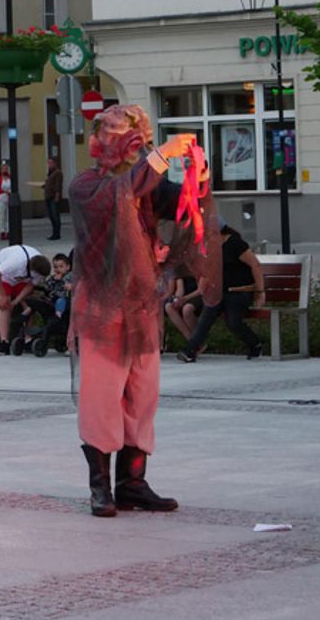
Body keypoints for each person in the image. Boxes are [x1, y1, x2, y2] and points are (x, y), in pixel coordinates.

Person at [68, 104, 219, 517]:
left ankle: (132, 484)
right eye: (123, 137)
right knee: (101, 397)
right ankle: (101, 487)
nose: (133, 147)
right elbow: (123, 193)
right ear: (102, 143)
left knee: (142, 395)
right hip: (101, 308)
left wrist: (196, 174)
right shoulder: (86, 186)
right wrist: (164, 153)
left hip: (141, 307)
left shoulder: (145, 185)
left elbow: (183, 200)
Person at [176, 222, 265, 362]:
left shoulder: (235, 243)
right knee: (206, 317)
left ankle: (255, 343)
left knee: (233, 322)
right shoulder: (211, 247)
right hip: (220, 291)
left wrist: (260, 292)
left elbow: (255, 265)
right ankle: (190, 351)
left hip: (239, 291)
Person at [0, 243, 51, 355]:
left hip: (23, 279)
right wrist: (3, 295)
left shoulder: (38, 267)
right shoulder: (15, 263)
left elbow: (30, 285)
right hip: (4, 276)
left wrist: (16, 301)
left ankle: (28, 338)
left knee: (28, 304)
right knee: (4, 304)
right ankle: (4, 341)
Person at [0, 162, 12, 241]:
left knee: (9, 216)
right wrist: (4, 191)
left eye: (6, 168)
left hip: (9, 199)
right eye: (3, 168)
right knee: (2, 216)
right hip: (1, 199)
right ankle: (2, 231)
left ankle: (8, 231)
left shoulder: (10, 178)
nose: (5, 170)